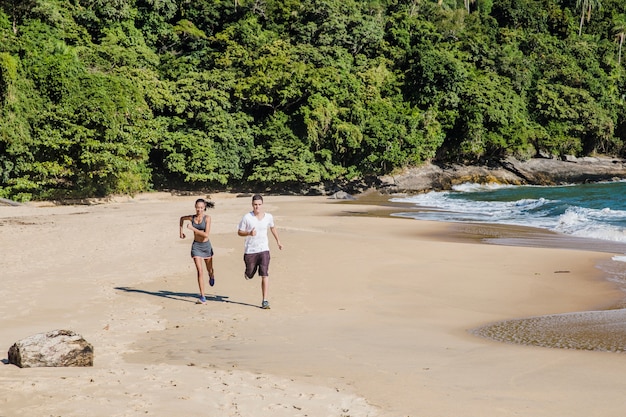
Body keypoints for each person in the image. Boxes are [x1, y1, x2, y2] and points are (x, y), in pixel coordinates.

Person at [237, 194, 283, 309]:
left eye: (259, 205)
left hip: (264, 249)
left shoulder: (268, 217)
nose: (257, 207)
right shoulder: (247, 217)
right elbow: (239, 232)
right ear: (252, 205)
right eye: (255, 205)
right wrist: (248, 233)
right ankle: (248, 273)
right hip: (250, 250)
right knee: (250, 273)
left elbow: (272, 227)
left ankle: (265, 300)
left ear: (262, 205)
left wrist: (278, 241)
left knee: (264, 274)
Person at [179, 198, 216, 304]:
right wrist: (181, 232)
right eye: (197, 207)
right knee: (200, 271)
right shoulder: (191, 218)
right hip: (196, 247)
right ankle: (203, 296)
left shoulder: (207, 218)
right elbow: (181, 218)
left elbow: (206, 234)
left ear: (204, 208)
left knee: (210, 269)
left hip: (206, 246)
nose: (199, 209)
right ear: (195, 207)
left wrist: (192, 229)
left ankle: (211, 275)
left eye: (201, 208)